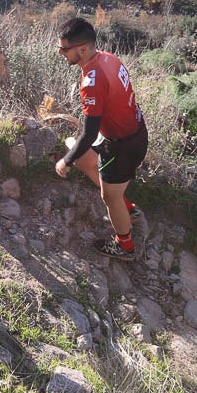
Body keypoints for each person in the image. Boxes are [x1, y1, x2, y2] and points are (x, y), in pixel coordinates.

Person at [53, 17, 149, 261]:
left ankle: (124, 246)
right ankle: (127, 209)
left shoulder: (91, 80)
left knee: (109, 197)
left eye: (65, 49)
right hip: (130, 133)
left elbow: (89, 132)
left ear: (82, 49)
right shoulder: (108, 57)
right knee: (85, 160)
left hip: (123, 146)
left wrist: (65, 161)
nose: (61, 53)